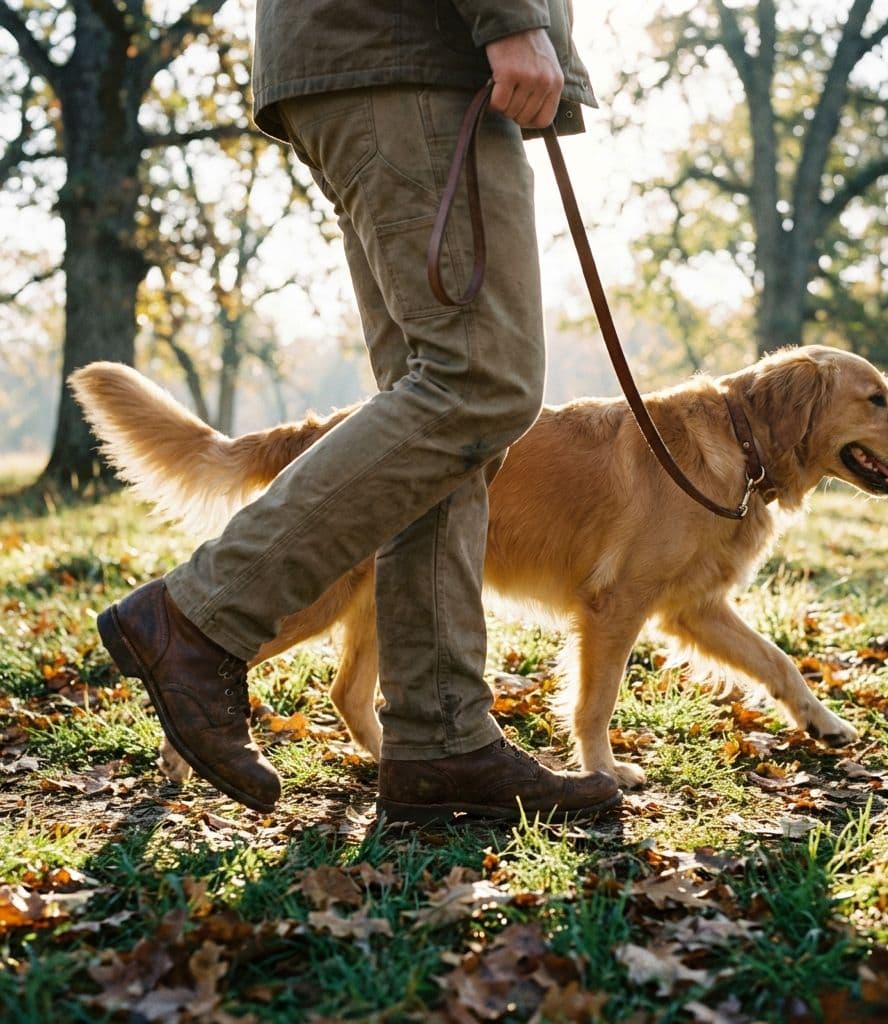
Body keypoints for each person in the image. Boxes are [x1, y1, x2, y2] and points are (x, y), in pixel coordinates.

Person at [96, 1, 622, 823]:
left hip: (379, 59)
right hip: (420, 56)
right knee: (480, 383)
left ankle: (440, 742)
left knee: (447, 420)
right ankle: (198, 615)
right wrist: (511, 16)